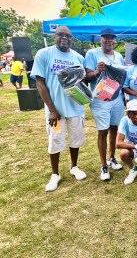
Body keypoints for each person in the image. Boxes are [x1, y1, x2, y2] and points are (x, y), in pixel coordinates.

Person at [31, 26, 87, 192]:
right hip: (55, 110)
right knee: (55, 141)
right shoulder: (44, 54)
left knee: (75, 139)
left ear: (72, 39)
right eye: (61, 35)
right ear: (54, 36)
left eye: (68, 36)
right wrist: (52, 110)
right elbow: (40, 83)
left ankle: (74, 167)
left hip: (75, 107)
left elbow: (81, 82)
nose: (65, 38)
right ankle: (55, 174)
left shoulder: (78, 57)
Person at [84, 28, 125, 181]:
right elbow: (86, 77)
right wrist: (96, 72)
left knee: (115, 128)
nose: (109, 40)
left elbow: (121, 77)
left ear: (114, 40)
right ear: (100, 39)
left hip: (116, 98)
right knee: (102, 131)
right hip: (100, 99)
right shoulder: (92, 54)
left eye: (111, 38)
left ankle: (112, 158)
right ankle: (103, 165)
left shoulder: (119, 56)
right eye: (105, 38)